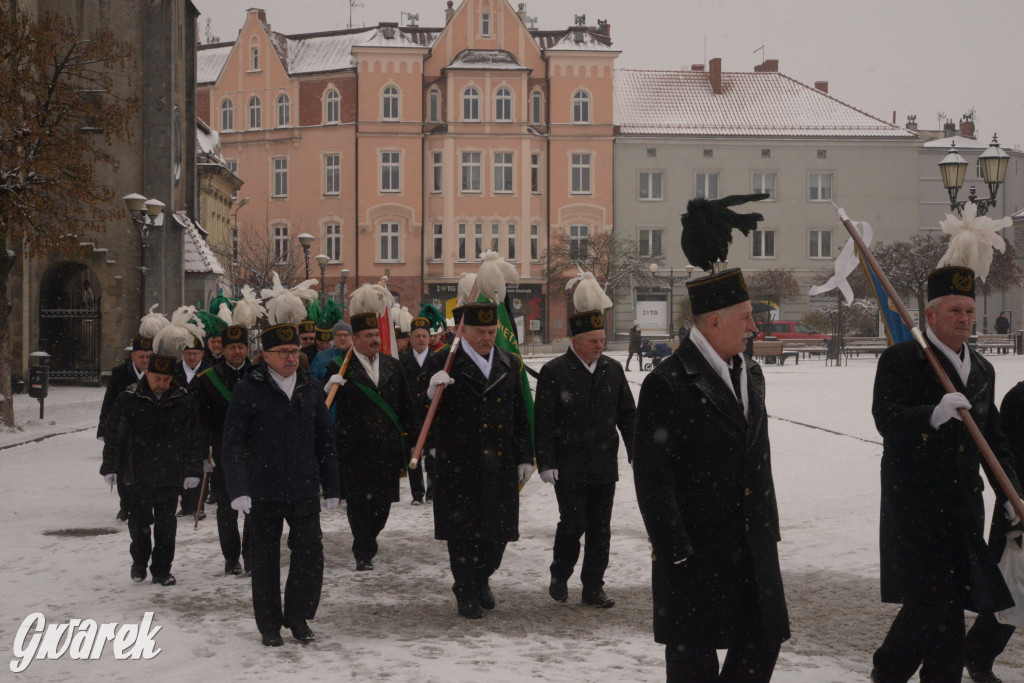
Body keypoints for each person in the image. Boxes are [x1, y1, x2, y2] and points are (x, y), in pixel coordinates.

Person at [634, 267, 790, 682]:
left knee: (762, 646)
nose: (754, 327)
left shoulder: (751, 373)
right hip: (695, 552)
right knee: (693, 664)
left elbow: (758, 457)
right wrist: (675, 551)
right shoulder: (666, 383)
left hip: (752, 545)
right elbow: (652, 478)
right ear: (715, 321)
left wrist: (767, 527)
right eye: (746, 317)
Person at [871, 266, 1022, 683]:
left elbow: (994, 442)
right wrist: (931, 415)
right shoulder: (903, 360)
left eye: (970, 310)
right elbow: (886, 418)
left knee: (952, 604)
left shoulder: (983, 371)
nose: (965, 318)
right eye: (955, 310)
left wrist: (1010, 493)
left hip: (963, 507)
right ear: (931, 316)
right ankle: (888, 671)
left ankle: (941, 676)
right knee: (929, 601)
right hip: (915, 505)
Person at [222, 321, 340, 647]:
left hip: (303, 487)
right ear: (266, 356)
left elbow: (324, 441)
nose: (291, 357)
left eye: (294, 351)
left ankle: (298, 617)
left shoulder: (309, 387)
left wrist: (331, 486)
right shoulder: (249, 388)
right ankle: (270, 625)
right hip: (263, 489)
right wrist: (238, 488)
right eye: (283, 352)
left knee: (309, 555)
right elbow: (232, 443)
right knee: (264, 560)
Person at [421, 302, 534, 619]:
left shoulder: (509, 362)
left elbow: (520, 412)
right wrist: (430, 393)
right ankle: (466, 589)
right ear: (462, 331)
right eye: (480, 332)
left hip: (499, 460)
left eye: (491, 331)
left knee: (498, 533)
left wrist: (526, 454)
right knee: (463, 533)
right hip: (459, 460)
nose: (487, 338)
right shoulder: (443, 361)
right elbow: (420, 410)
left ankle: (482, 575)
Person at [536, 274, 635, 609]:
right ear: (576, 340)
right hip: (569, 466)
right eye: (593, 340)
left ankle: (593, 586)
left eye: (603, 339)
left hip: (604, 464)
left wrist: (639, 452)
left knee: (600, 530)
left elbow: (628, 416)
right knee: (573, 523)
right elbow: (544, 422)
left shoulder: (613, 369)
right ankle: (560, 574)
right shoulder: (555, 372)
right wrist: (546, 462)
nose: (600, 346)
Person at [324, 301, 418, 571]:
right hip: (354, 448)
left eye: (376, 335)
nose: (375, 340)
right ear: (355, 339)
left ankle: (369, 537)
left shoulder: (392, 365)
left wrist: (414, 442)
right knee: (358, 503)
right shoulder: (340, 367)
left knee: (383, 503)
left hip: (387, 448)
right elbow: (321, 407)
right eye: (368, 336)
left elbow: (406, 405)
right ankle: (363, 550)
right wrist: (326, 387)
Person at [100, 352, 204, 586]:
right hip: (136, 473)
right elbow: (115, 435)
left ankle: (162, 569)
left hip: (170, 473)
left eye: (166, 380)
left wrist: (192, 470)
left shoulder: (182, 400)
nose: (162, 385)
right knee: (139, 524)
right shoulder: (129, 398)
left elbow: (193, 439)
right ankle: (139, 561)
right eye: (157, 378)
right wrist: (110, 466)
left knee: (167, 526)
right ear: (147, 374)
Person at [964, 380, 1024, 683]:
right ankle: (978, 653)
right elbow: (1006, 457)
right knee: (1011, 589)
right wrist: (1015, 505)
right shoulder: (1020, 398)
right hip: (1019, 508)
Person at [193, 324, 255, 576]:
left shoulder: (260, 374)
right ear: (224, 350)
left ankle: (251, 555)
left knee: (255, 506)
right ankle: (231, 557)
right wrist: (203, 452)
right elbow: (200, 420)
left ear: (247, 348)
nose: (237, 351)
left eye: (241, 346)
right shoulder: (209, 378)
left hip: (256, 451)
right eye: (232, 347)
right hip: (222, 451)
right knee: (227, 508)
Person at [98, 335, 152, 521]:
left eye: (148, 357)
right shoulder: (120, 373)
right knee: (123, 468)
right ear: (133, 357)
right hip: (124, 429)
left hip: (148, 430)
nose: (145, 361)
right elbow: (109, 401)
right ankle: (125, 505)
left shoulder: (157, 373)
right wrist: (104, 428)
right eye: (141, 357)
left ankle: (146, 504)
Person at [173, 337, 213, 520]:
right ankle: (185, 504)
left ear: (202, 353)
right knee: (180, 464)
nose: (191, 357)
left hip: (202, 425)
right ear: (183, 353)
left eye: (195, 353)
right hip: (179, 425)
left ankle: (199, 504)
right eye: (188, 353)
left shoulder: (210, 372)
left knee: (199, 464)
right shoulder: (175, 372)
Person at [399, 316, 433, 504]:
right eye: (417, 336)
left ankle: (432, 492)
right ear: (411, 339)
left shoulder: (437, 359)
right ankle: (417, 494)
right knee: (414, 456)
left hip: (431, 416)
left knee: (433, 457)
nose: (421, 339)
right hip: (411, 417)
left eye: (424, 336)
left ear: (429, 338)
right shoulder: (402, 361)